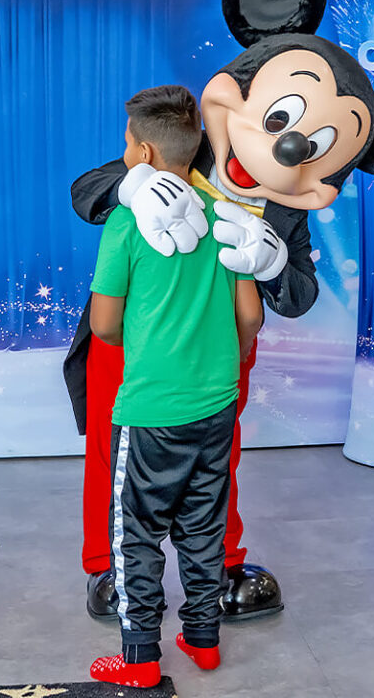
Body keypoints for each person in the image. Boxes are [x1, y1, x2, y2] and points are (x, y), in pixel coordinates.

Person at [87, 85, 264, 688]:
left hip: (151, 408)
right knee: (204, 523)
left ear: (142, 152)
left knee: (136, 533)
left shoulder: (125, 223)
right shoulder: (228, 216)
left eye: (127, 142)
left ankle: (139, 658)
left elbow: (104, 325)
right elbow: (250, 316)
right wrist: (225, 357)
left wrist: (146, 341)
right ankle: (203, 640)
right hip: (217, 403)